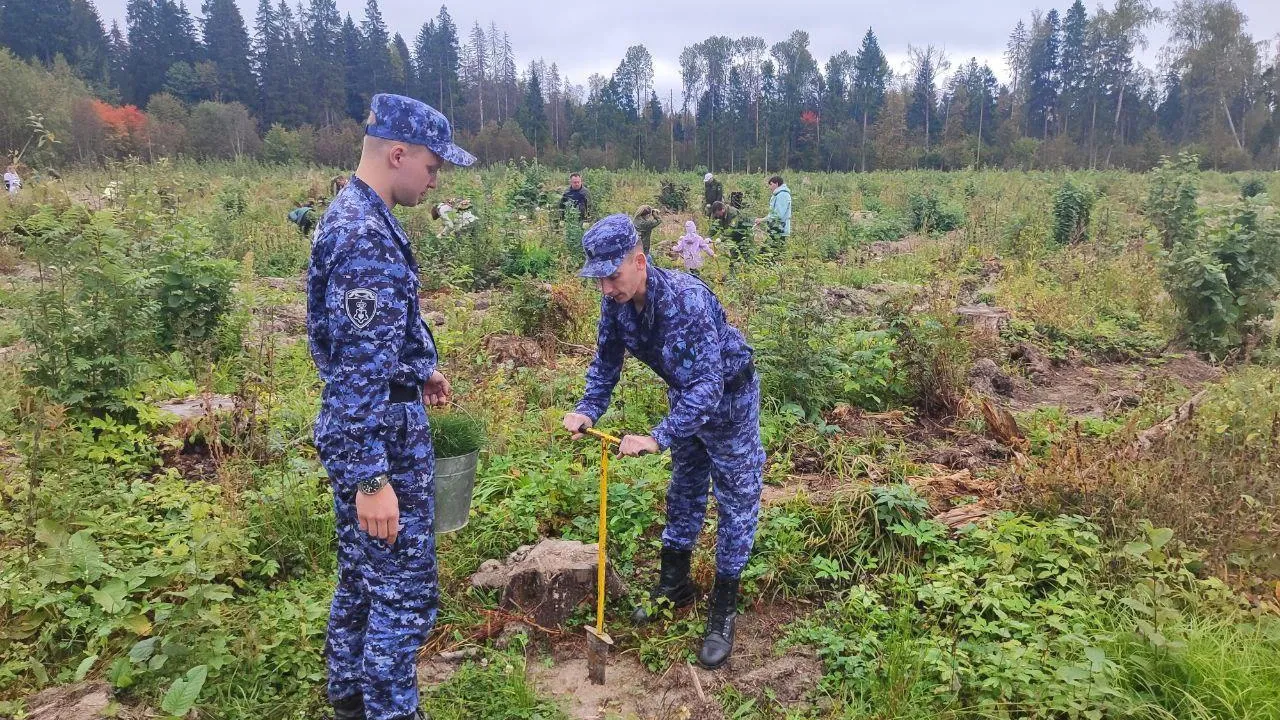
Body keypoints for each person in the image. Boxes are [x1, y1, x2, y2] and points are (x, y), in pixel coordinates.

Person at [307, 93, 474, 720]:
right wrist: (372, 480)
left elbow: (373, 338)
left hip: (371, 427)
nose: (436, 180)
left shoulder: (360, 216)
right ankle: (389, 709)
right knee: (403, 596)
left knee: (361, 577)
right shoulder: (365, 238)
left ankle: (350, 698)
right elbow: (356, 375)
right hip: (378, 438)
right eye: (432, 166)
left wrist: (418, 367)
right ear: (398, 154)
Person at [562, 214, 765, 670]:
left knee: (735, 499)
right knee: (685, 488)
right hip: (685, 398)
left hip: (729, 401)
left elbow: (709, 385)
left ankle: (722, 612)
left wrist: (659, 437)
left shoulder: (686, 300)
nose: (605, 288)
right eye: (598, 279)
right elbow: (606, 364)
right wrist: (587, 409)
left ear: (639, 261)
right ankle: (675, 585)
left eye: (612, 276)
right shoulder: (615, 303)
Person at [711, 200, 754, 271]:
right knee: (734, 255)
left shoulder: (733, 213)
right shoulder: (720, 215)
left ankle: (748, 273)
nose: (717, 216)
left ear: (722, 209)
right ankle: (733, 272)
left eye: (718, 214)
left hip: (745, 235)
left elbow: (731, 229)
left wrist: (720, 238)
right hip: (734, 236)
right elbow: (715, 226)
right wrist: (708, 237)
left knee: (746, 256)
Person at [754, 175, 791, 252]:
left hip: (779, 228)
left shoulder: (782, 195)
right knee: (773, 250)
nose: (770, 187)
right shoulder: (778, 194)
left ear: (776, 184)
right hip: (775, 227)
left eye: (771, 184)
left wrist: (762, 220)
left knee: (769, 251)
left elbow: (778, 215)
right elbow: (773, 213)